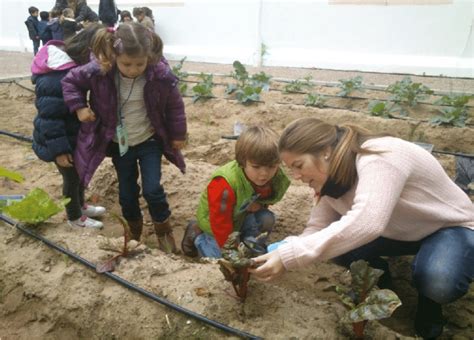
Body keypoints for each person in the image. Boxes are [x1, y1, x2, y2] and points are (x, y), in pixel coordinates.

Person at [249, 117, 474, 339]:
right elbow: (318, 228)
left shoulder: (379, 156)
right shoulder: (329, 180)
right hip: (398, 231)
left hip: (447, 227)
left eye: (299, 166)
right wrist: (287, 247)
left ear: (326, 151)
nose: (297, 176)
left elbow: (368, 222)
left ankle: (430, 304)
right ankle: (381, 281)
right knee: (339, 246)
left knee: (439, 280)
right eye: (291, 170)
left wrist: (293, 256)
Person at [61, 22, 187, 253]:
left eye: (140, 63)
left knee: (152, 189)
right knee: (127, 194)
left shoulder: (159, 74)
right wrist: (79, 107)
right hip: (122, 145)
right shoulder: (100, 70)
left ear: (149, 57)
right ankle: (134, 230)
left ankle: (163, 230)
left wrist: (178, 134)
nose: (133, 69)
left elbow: (174, 105)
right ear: (114, 56)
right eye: (126, 64)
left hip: (149, 141)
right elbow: (70, 82)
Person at [31, 23, 106, 229]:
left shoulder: (73, 71)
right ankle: (74, 218)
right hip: (59, 140)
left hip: (71, 134)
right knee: (71, 178)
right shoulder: (57, 79)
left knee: (79, 173)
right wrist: (60, 151)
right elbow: (50, 120)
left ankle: (81, 206)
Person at [182, 126, 290, 258]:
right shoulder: (224, 184)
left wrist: (260, 205)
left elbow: (270, 197)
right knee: (221, 259)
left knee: (267, 218)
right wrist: (231, 249)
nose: (264, 174)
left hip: (240, 215)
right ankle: (197, 236)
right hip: (216, 223)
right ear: (243, 162)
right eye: (256, 167)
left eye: (271, 167)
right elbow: (220, 223)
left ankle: (250, 243)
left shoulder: (274, 177)